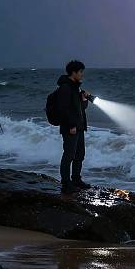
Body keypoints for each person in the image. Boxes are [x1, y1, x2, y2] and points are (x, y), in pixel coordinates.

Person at [56, 60, 91, 193]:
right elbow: (63, 109)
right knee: (69, 155)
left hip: (79, 126)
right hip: (70, 127)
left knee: (79, 154)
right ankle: (66, 183)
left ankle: (76, 179)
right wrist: (71, 125)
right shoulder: (65, 88)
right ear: (73, 72)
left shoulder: (76, 87)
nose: (82, 74)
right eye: (81, 72)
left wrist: (83, 100)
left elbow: (80, 109)